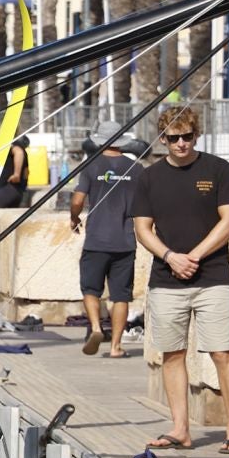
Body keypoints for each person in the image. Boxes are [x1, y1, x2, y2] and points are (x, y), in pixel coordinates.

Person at [132, 108, 229, 453]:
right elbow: (142, 229)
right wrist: (170, 257)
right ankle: (180, 428)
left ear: (197, 135)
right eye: (173, 137)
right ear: (162, 139)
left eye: (187, 136)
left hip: (213, 278)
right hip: (167, 281)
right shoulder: (148, 177)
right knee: (172, 353)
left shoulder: (218, 169)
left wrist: (194, 256)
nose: (181, 144)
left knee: (222, 352)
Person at [70, 121, 137, 359]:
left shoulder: (90, 166)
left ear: (100, 140)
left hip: (97, 239)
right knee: (121, 295)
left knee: (90, 288)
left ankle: (97, 328)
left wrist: (74, 217)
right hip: (126, 241)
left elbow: (77, 200)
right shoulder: (135, 168)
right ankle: (116, 347)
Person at [0, 134, 28, 210]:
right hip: (17, 191)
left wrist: (16, 174)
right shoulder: (18, 145)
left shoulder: (11, 144)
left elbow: (19, 153)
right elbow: (27, 171)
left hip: (9, 188)